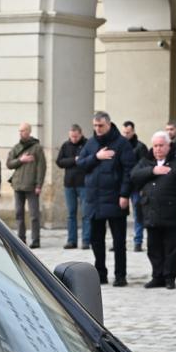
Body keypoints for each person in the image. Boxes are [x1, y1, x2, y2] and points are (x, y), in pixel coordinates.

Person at [77, 111, 137, 286]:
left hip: (115, 199)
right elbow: (80, 164)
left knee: (118, 242)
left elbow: (129, 171)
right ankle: (100, 274)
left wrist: (124, 194)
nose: (97, 128)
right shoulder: (91, 143)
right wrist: (96, 157)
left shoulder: (122, 144)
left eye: (101, 125)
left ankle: (120, 275)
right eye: (95, 125)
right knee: (96, 240)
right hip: (94, 200)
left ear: (109, 124)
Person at [131, 131, 176, 289]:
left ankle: (169, 277)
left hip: (173, 212)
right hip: (151, 211)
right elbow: (134, 176)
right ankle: (157, 276)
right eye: (155, 146)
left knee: (171, 248)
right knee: (153, 247)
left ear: (169, 146)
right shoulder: (146, 161)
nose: (158, 149)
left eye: (161, 145)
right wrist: (152, 171)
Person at [6, 122, 46, 248]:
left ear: (29, 131)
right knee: (19, 214)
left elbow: (41, 167)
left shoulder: (37, 148)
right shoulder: (16, 148)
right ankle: (21, 239)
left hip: (31, 186)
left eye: (23, 130)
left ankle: (36, 240)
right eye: (20, 130)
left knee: (34, 215)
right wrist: (21, 160)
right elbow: (9, 164)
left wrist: (39, 185)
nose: (21, 133)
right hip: (18, 185)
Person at [55, 124, 90, 249]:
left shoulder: (87, 144)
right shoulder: (66, 145)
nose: (73, 139)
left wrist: (81, 160)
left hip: (84, 184)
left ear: (80, 134)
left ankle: (86, 240)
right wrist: (74, 160)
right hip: (69, 184)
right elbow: (59, 162)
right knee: (71, 213)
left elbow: (90, 160)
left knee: (86, 213)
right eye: (71, 137)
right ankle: (72, 240)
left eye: (76, 136)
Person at [121, 120, 150, 252]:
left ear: (133, 131)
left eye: (128, 132)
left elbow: (144, 167)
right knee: (120, 215)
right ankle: (119, 241)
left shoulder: (140, 147)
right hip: (123, 185)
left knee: (138, 214)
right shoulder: (120, 146)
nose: (126, 135)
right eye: (124, 132)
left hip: (136, 186)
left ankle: (138, 241)